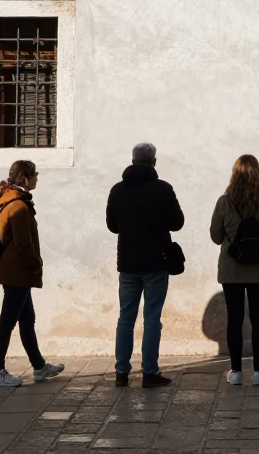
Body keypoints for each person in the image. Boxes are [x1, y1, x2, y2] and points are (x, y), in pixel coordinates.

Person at [106, 142, 184, 387]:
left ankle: (121, 372)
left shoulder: (118, 190)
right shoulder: (162, 189)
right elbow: (177, 222)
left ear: (132, 160)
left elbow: (112, 225)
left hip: (128, 263)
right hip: (155, 262)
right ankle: (149, 372)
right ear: (154, 162)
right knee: (152, 318)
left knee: (125, 318)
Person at [0, 159, 64, 387]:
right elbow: (23, 245)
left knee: (27, 320)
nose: (37, 178)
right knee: (7, 322)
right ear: (25, 178)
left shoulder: (13, 202)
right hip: (17, 273)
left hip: (16, 272)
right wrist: (34, 265)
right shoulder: (18, 206)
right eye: (35, 174)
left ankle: (39, 367)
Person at [210, 154, 259, 386]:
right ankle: (258, 372)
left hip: (232, 268)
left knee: (235, 318)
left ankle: (236, 371)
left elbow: (215, 236)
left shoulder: (224, 201)